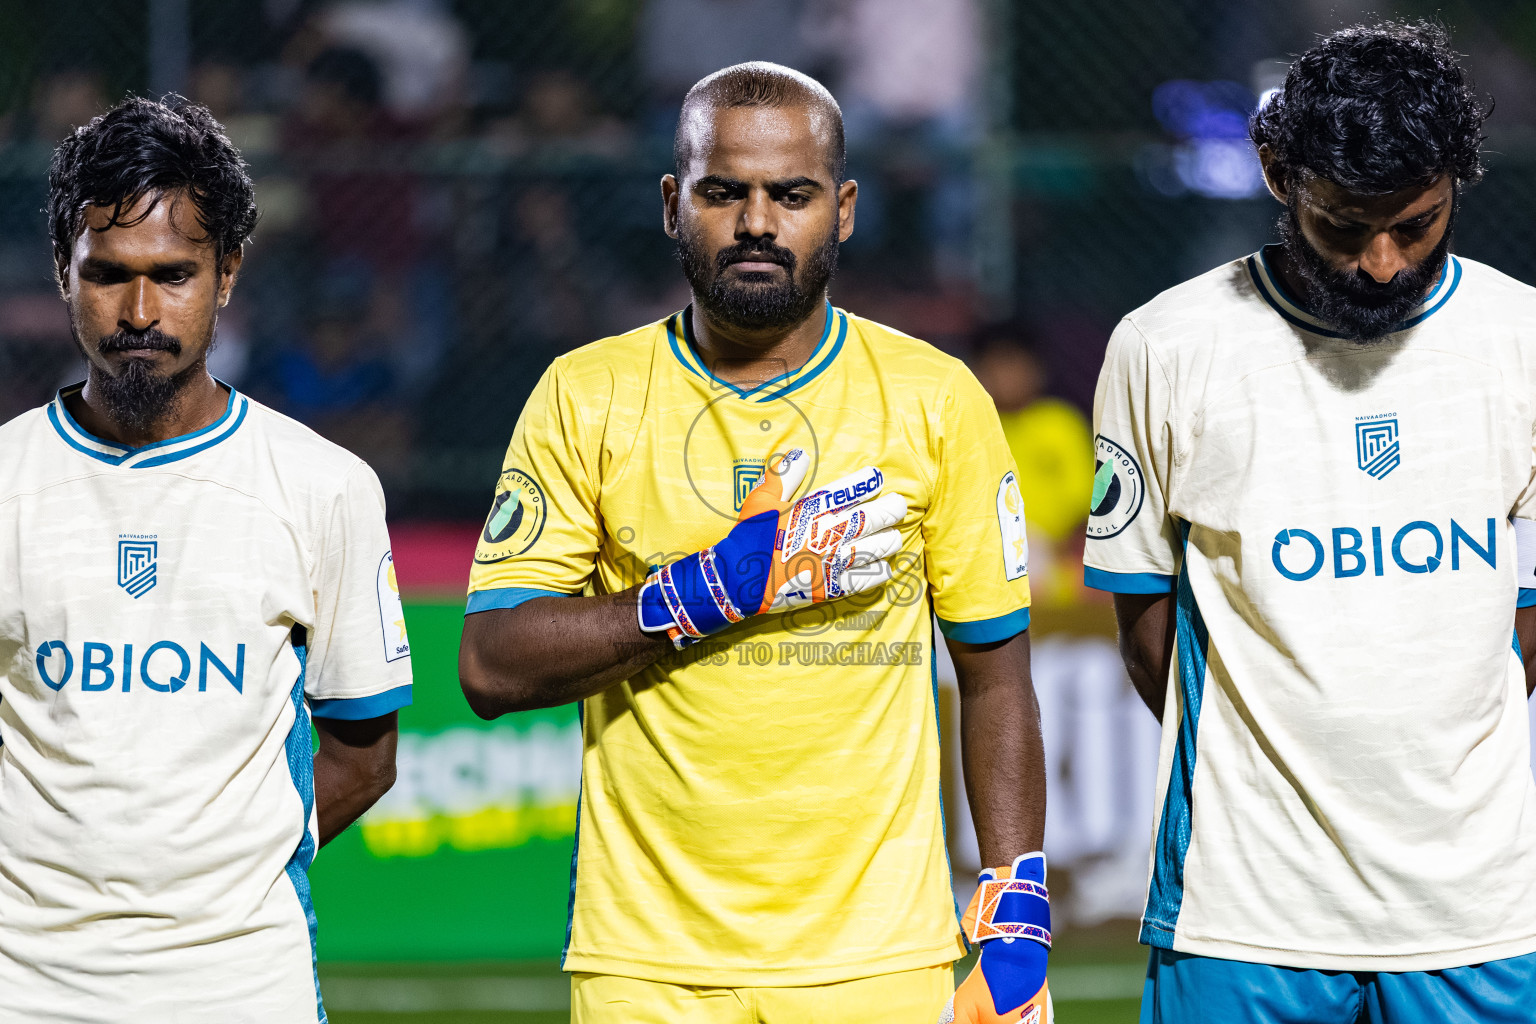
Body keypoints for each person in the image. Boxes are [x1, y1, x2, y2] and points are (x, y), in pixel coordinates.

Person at [458, 63, 1051, 1023]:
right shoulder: (585, 394)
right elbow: (490, 665)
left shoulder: (936, 399)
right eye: (723, 192)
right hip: (646, 963)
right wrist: (705, 591)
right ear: (672, 204)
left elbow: (995, 677)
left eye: (794, 195)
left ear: (844, 210)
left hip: (879, 958)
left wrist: (1017, 909)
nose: (758, 223)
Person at [1084, 22, 1536, 1023]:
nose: (1380, 262)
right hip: (1240, 917)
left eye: (1416, 225)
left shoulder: (1524, 342)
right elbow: (1147, 631)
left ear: (1457, 185)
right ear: (1276, 173)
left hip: (1482, 914)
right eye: (1343, 225)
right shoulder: (1165, 348)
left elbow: (1527, 626)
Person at [0, 96, 412, 1022]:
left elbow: (364, 757)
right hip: (26, 989)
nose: (140, 311)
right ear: (63, 271)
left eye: (174, 274)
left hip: (243, 988)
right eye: (108, 274)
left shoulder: (325, 486)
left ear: (228, 273)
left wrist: (221, 878)